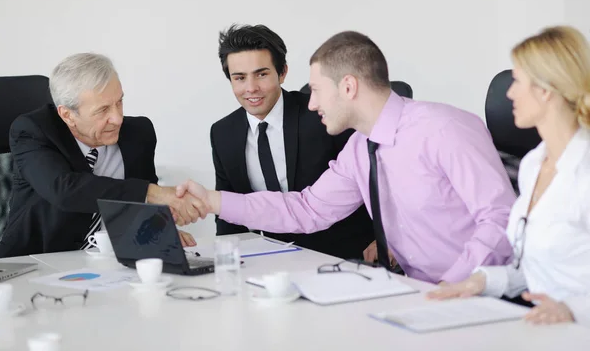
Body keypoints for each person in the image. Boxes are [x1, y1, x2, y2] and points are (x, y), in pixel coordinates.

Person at [177, 31, 516, 284]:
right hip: (414, 292)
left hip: (479, 293)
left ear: (349, 87)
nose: (310, 104)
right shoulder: (359, 148)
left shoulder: (444, 129)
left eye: (317, 91)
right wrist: (213, 200)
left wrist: (450, 288)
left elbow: (501, 219)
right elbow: (306, 209)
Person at [428, 26, 590, 326]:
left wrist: (572, 309)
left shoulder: (585, 172)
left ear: (545, 90)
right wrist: (481, 281)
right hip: (543, 330)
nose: (510, 93)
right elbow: (537, 267)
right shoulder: (532, 165)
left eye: (517, 81)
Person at [0, 53, 197, 258]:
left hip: (106, 263)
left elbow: (141, 208)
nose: (117, 118)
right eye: (103, 110)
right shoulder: (33, 132)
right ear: (67, 115)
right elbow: (65, 190)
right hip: (31, 263)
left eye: (119, 102)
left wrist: (159, 231)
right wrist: (153, 192)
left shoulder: (138, 134)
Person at [210, 24, 374, 259]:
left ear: (283, 72)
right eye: (239, 78)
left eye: (262, 74)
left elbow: (373, 182)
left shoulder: (324, 116)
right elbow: (228, 212)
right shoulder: (223, 132)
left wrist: (385, 238)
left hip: (342, 254)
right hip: (268, 258)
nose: (251, 88)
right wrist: (226, 259)